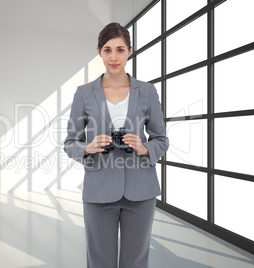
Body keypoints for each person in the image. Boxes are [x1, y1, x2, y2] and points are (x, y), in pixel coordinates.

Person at [63, 22, 169, 268]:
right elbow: (70, 142)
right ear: (99, 52)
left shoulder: (148, 91)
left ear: (130, 51)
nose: (113, 57)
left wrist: (144, 148)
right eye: (107, 50)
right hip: (98, 190)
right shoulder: (84, 93)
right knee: (100, 262)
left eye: (120, 49)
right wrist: (87, 148)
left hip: (141, 190)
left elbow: (161, 139)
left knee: (136, 261)